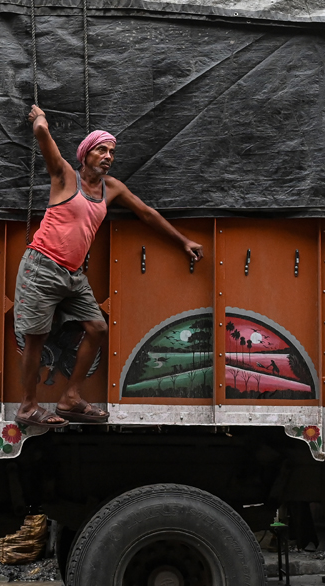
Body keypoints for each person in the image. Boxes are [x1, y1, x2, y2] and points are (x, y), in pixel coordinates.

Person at [14, 104, 204, 428]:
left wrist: (182, 241)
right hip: (42, 267)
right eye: (101, 149)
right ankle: (28, 406)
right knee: (36, 337)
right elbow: (42, 133)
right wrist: (40, 116)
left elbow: (145, 213)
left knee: (98, 328)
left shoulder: (111, 188)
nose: (108, 156)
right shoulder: (63, 175)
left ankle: (70, 397)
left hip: (73, 276)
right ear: (85, 154)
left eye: (112, 152)